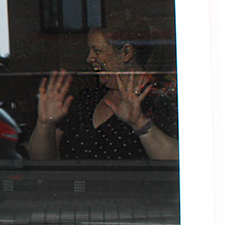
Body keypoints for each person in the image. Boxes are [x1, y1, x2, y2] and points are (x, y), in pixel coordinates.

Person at [28, 26, 178, 161]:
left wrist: (141, 124)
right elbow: (42, 160)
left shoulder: (160, 98)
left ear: (126, 53)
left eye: (97, 51)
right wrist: (44, 124)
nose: (89, 58)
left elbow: (180, 161)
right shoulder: (87, 99)